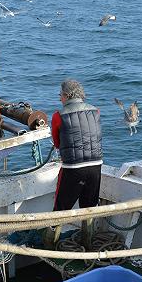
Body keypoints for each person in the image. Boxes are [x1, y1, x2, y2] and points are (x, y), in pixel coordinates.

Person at [51, 79, 102, 246]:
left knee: (59, 210)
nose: (60, 99)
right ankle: (88, 245)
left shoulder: (58, 116)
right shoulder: (96, 111)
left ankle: (50, 244)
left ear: (67, 96)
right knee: (89, 209)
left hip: (73, 169)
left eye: (60, 95)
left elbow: (57, 144)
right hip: (96, 166)